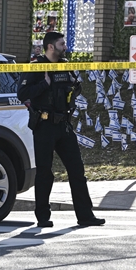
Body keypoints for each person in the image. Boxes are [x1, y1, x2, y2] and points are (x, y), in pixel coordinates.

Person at [17, 32, 105, 229]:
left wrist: (73, 88)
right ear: (50, 47)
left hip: (64, 125)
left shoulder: (65, 65)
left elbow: (76, 88)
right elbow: (21, 93)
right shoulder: (37, 67)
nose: (65, 47)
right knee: (44, 173)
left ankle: (85, 215)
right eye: (61, 43)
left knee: (77, 171)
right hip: (44, 125)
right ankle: (42, 217)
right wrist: (44, 85)